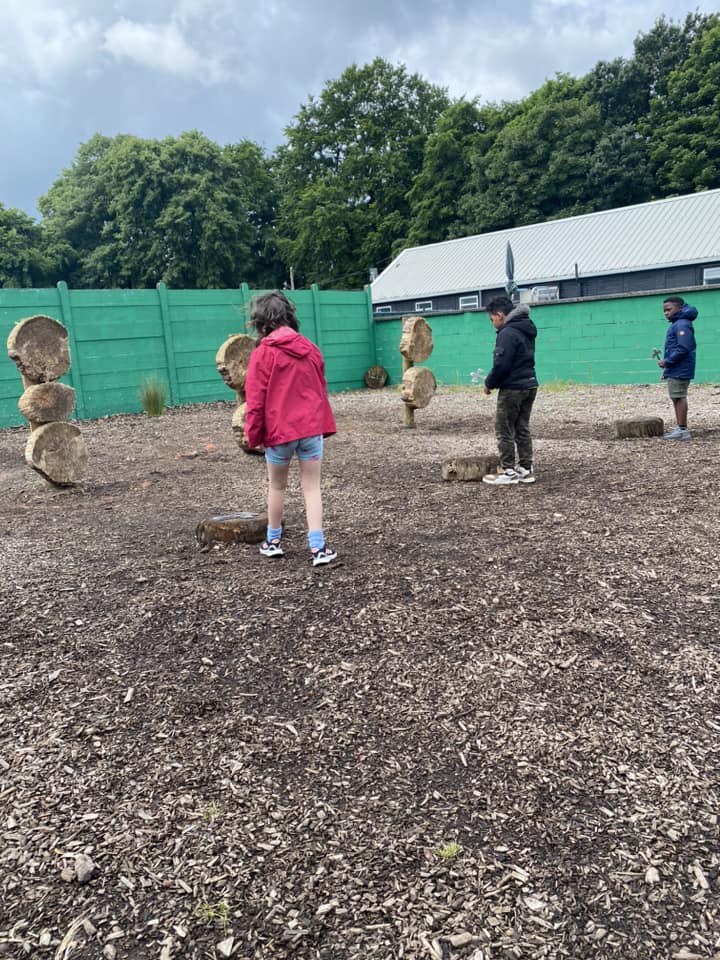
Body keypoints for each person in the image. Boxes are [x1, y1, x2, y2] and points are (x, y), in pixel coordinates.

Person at [244, 292, 338, 566]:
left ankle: (272, 542)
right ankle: (318, 548)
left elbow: (255, 400)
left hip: (278, 433)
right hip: (310, 431)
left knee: (277, 486)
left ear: (260, 322)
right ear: (289, 316)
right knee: (312, 488)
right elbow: (320, 389)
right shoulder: (311, 349)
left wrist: (254, 435)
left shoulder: (262, 354)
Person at [481, 295, 539, 486]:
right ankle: (526, 469)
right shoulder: (526, 328)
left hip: (513, 388)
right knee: (522, 427)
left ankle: (508, 471)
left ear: (499, 315)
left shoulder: (507, 333)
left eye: (492, 319)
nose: (493, 323)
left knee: (504, 429)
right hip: (530, 384)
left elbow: (502, 365)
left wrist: (489, 383)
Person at [657, 296, 697, 440]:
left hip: (680, 368)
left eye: (669, 309)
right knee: (676, 397)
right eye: (664, 311)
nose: (666, 313)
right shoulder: (678, 323)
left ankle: (682, 430)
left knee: (679, 397)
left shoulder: (681, 324)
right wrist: (667, 369)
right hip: (677, 368)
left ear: (679, 308)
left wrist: (667, 362)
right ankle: (680, 428)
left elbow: (684, 348)